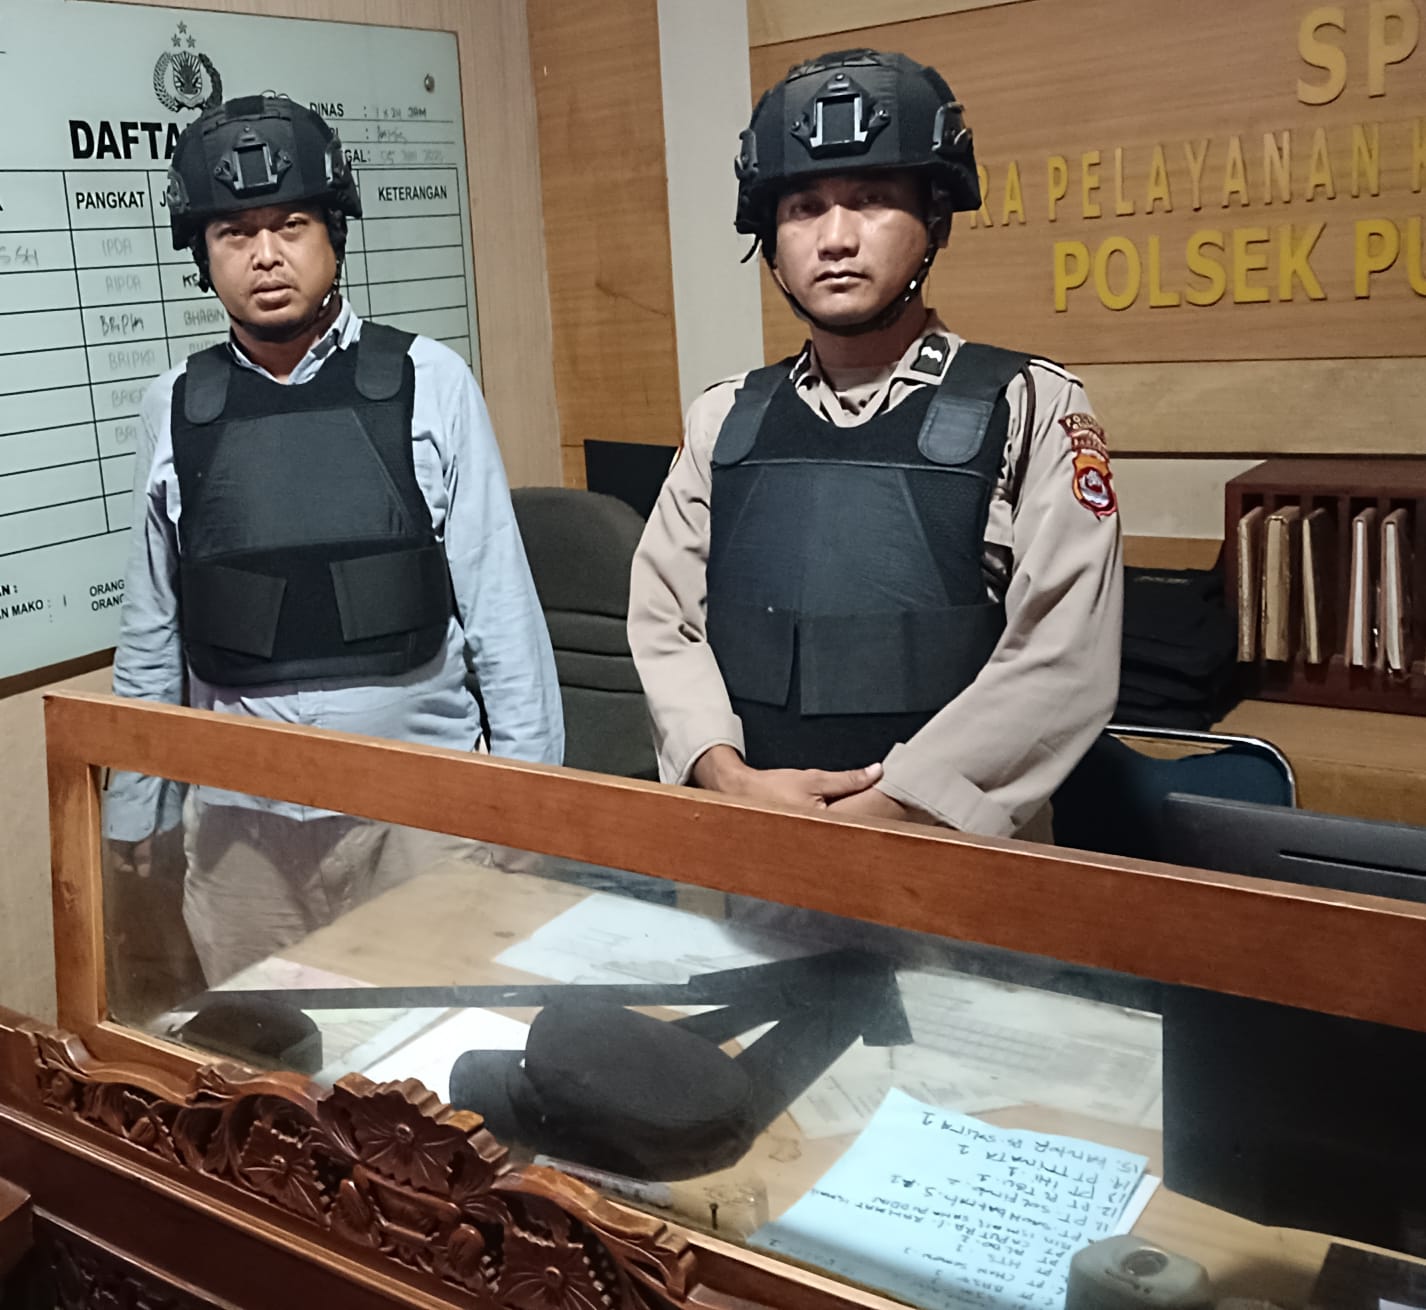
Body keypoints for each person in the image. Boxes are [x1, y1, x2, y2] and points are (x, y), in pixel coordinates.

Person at [106, 96, 563, 985]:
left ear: (335, 233)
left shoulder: (429, 381)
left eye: (291, 225)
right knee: (263, 1055)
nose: (265, 255)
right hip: (241, 832)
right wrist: (135, 808)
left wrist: (533, 803)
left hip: (422, 815)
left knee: (445, 1046)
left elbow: (502, 613)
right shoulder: (174, 405)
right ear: (201, 254)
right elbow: (153, 626)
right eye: (234, 233)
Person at [628, 50, 1122, 840]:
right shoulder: (725, 419)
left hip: (955, 855)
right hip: (752, 838)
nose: (835, 238)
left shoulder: (1028, 406)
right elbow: (666, 624)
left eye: (872, 200)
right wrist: (727, 777)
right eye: (804, 208)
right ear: (770, 238)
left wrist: (883, 813)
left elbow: (1062, 661)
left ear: (935, 219)